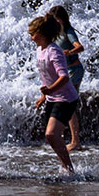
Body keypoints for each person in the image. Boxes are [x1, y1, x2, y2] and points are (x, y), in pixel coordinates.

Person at [28, 15, 77, 176]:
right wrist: (44, 96)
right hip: (52, 98)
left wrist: (50, 91)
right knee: (52, 136)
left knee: (51, 134)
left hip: (66, 99)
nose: (31, 37)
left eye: (33, 34)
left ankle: (69, 170)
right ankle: (66, 167)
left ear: (42, 33)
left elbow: (64, 77)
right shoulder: (39, 50)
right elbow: (46, 76)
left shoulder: (54, 51)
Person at [48, 5, 86, 152]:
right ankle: (65, 137)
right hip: (65, 72)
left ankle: (75, 141)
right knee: (65, 103)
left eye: (57, 19)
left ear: (62, 19)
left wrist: (68, 52)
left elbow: (80, 47)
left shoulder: (68, 32)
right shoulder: (56, 34)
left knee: (68, 104)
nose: (55, 22)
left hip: (74, 71)